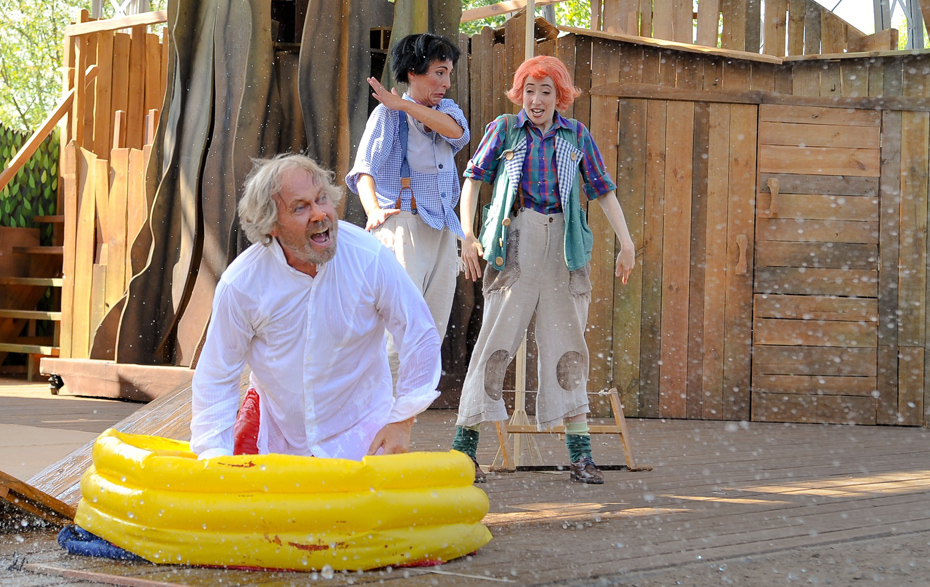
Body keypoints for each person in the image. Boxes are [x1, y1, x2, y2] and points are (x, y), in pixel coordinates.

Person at [452, 56, 636, 484]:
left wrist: (626, 241)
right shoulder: (505, 129)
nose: (536, 100)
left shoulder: (576, 136)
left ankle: (580, 454)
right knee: (495, 342)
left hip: (564, 247)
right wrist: (467, 234)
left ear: (561, 96)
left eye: (546, 91)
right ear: (520, 94)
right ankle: (464, 451)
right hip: (516, 239)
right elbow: (474, 178)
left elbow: (604, 191)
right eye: (529, 90)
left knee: (569, 346)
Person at [190, 154, 442, 461]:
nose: (320, 214)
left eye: (322, 199)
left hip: (362, 432)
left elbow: (420, 335)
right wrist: (214, 454)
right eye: (301, 207)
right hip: (275, 434)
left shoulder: (369, 257)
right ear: (271, 225)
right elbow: (217, 374)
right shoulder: (241, 283)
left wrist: (403, 420)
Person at [345, 33, 469, 379]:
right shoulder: (388, 116)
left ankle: (407, 414)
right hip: (404, 227)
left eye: (448, 74)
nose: (445, 82)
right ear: (413, 72)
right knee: (398, 327)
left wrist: (404, 105)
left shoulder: (447, 111)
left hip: (442, 229)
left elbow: (457, 134)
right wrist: (373, 211)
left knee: (431, 327)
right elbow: (364, 169)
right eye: (439, 73)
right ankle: (381, 413)